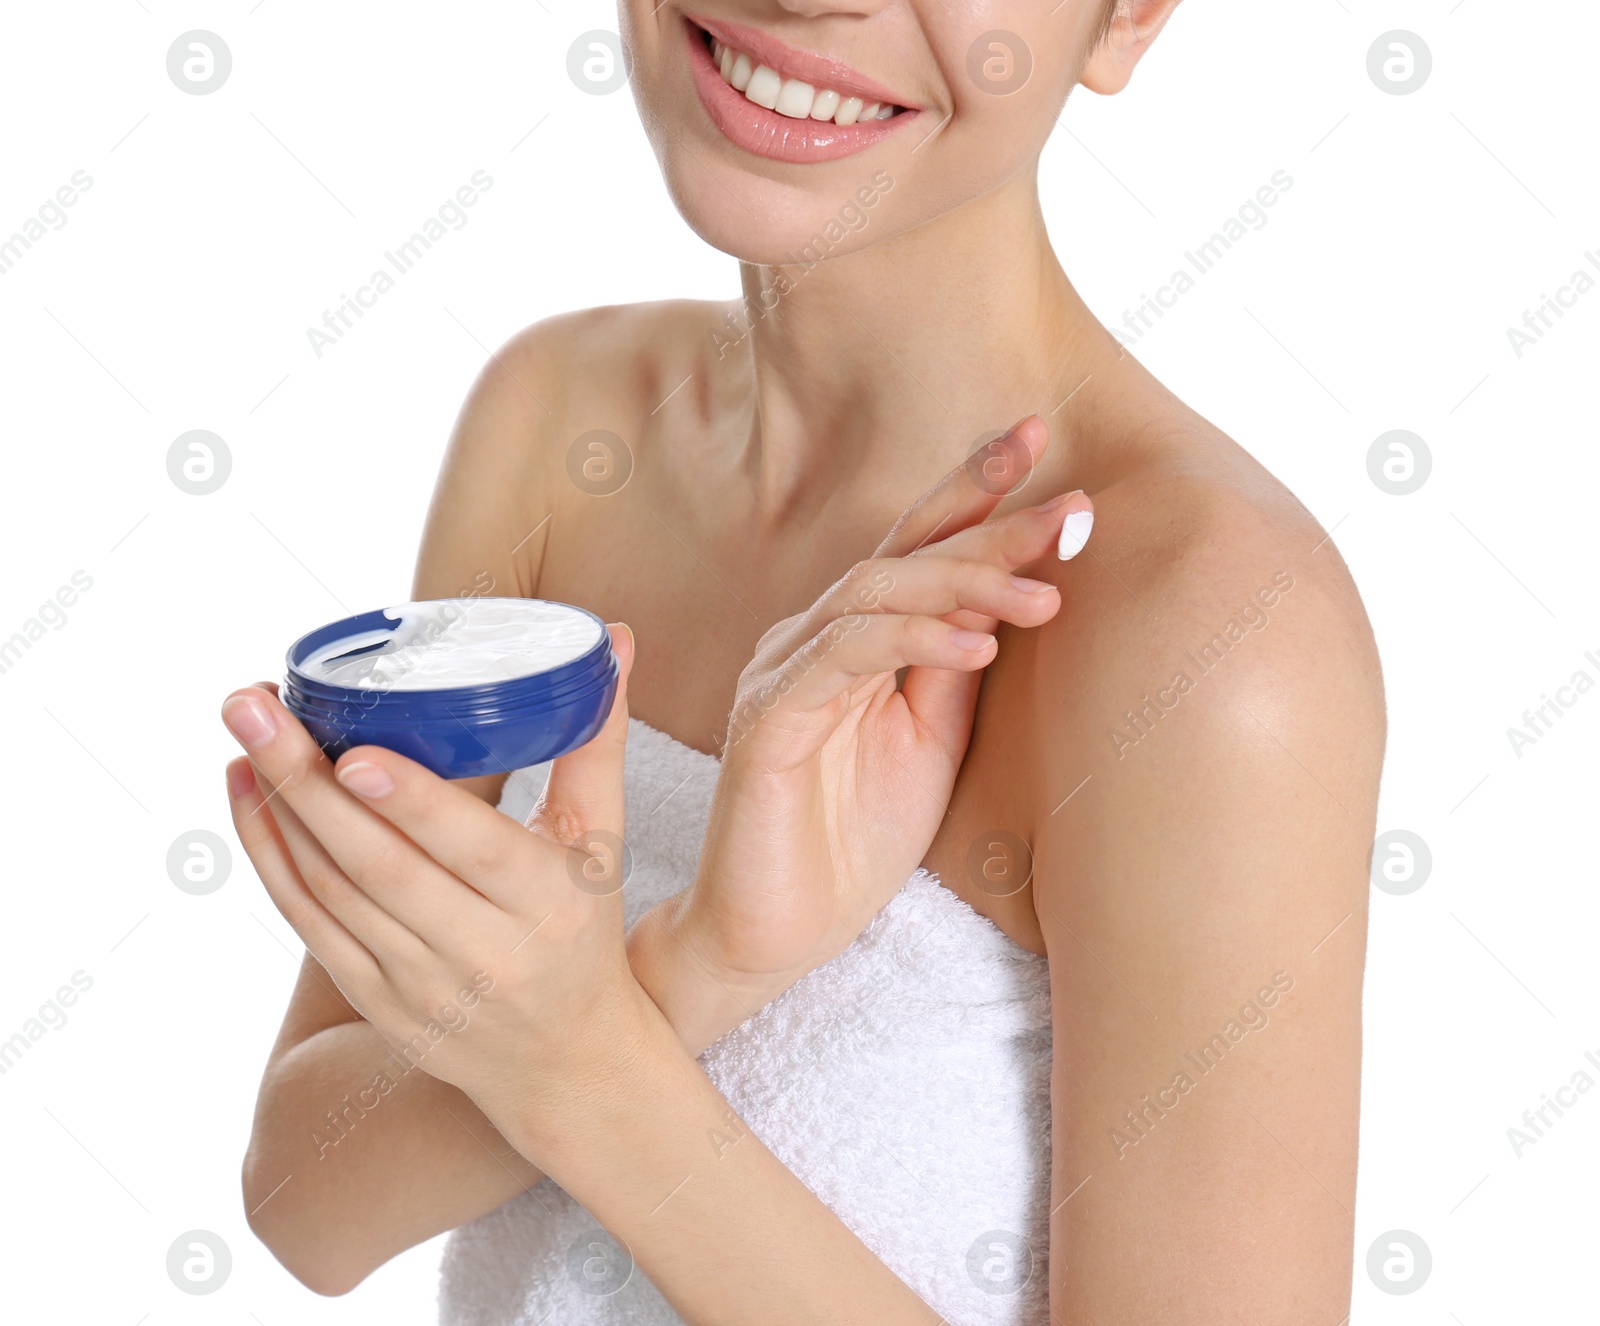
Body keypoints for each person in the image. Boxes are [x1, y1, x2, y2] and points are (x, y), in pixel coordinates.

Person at [227, 0, 1385, 1319]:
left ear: (1126, 21)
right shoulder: (557, 421)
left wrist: (588, 1061)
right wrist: (706, 959)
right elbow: (302, 1203)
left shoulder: (1211, 634)